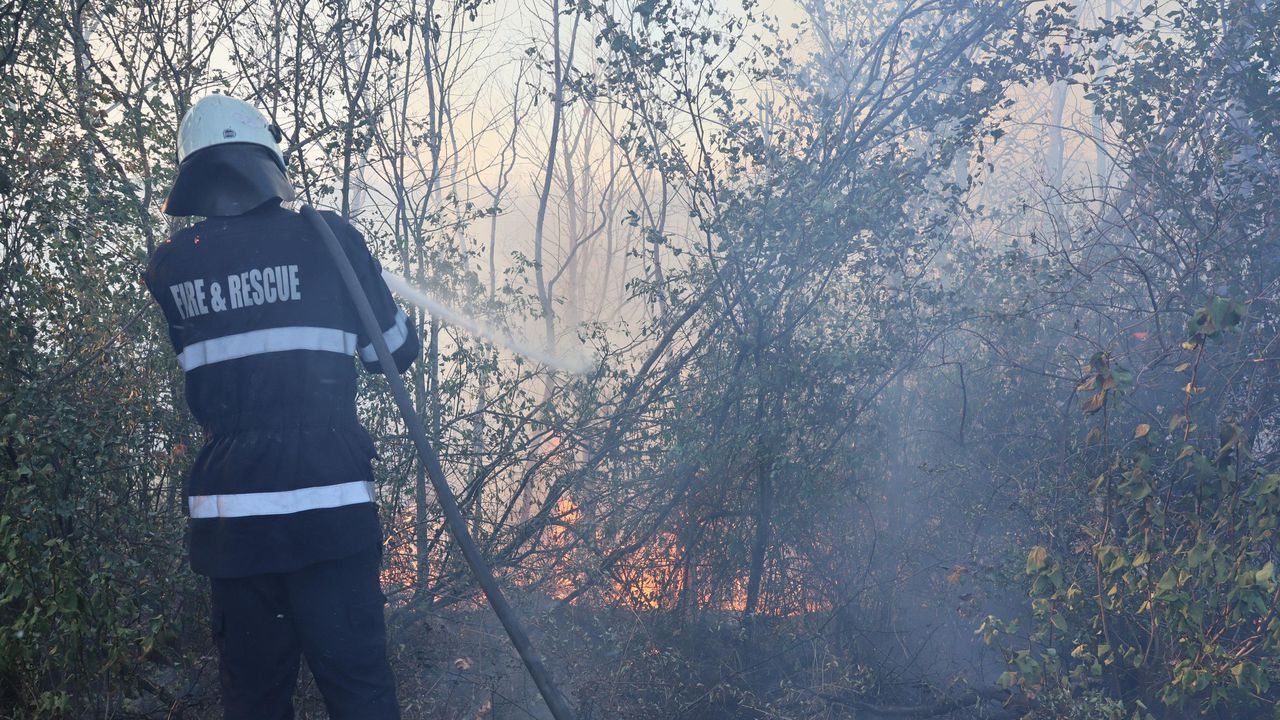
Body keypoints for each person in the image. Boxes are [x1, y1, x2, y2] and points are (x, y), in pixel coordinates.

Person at [144, 94, 419, 720]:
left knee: (255, 701)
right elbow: (394, 354)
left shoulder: (171, 267)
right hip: (330, 511)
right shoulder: (329, 239)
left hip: (234, 524)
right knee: (360, 694)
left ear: (195, 174)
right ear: (267, 163)